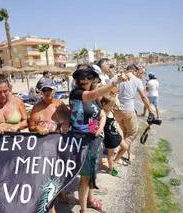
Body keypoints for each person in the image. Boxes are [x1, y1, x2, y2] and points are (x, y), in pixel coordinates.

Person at [69, 64, 126, 213]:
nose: (85, 79)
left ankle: (91, 200)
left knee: (92, 174)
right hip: (82, 142)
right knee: (85, 178)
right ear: (77, 80)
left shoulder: (93, 95)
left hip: (94, 141)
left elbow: (101, 114)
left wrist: (99, 129)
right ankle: (83, 210)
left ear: (94, 79)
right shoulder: (77, 93)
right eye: (81, 76)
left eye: (89, 76)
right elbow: (92, 96)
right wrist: (115, 82)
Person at [29, 81, 72, 213]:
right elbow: (31, 127)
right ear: (40, 92)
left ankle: (61, 194)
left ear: (54, 91)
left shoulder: (60, 104)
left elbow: (69, 119)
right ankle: (49, 204)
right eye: (44, 91)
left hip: (59, 144)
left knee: (60, 169)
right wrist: (38, 127)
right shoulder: (37, 108)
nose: (48, 93)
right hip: (43, 146)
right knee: (47, 173)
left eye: (50, 90)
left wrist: (66, 123)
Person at [115, 64, 155, 164]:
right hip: (128, 110)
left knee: (125, 133)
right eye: (137, 71)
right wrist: (150, 110)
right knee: (132, 134)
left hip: (116, 110)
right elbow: (144, 97)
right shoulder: (136, 80)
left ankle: (128, 155)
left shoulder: (117, 77)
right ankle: (117, 158)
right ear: (135, 70)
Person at [100, 96, 128, 175]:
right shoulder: (102, 113)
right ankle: (111, 169)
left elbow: (115, 123)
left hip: (116, 134)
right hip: (109, 138)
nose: (112, 107)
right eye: (110, 105)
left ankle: (115, 162)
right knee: (110, 154)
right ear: (103, 104)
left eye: (112, 105)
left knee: (125, 147)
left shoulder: (111, 111)